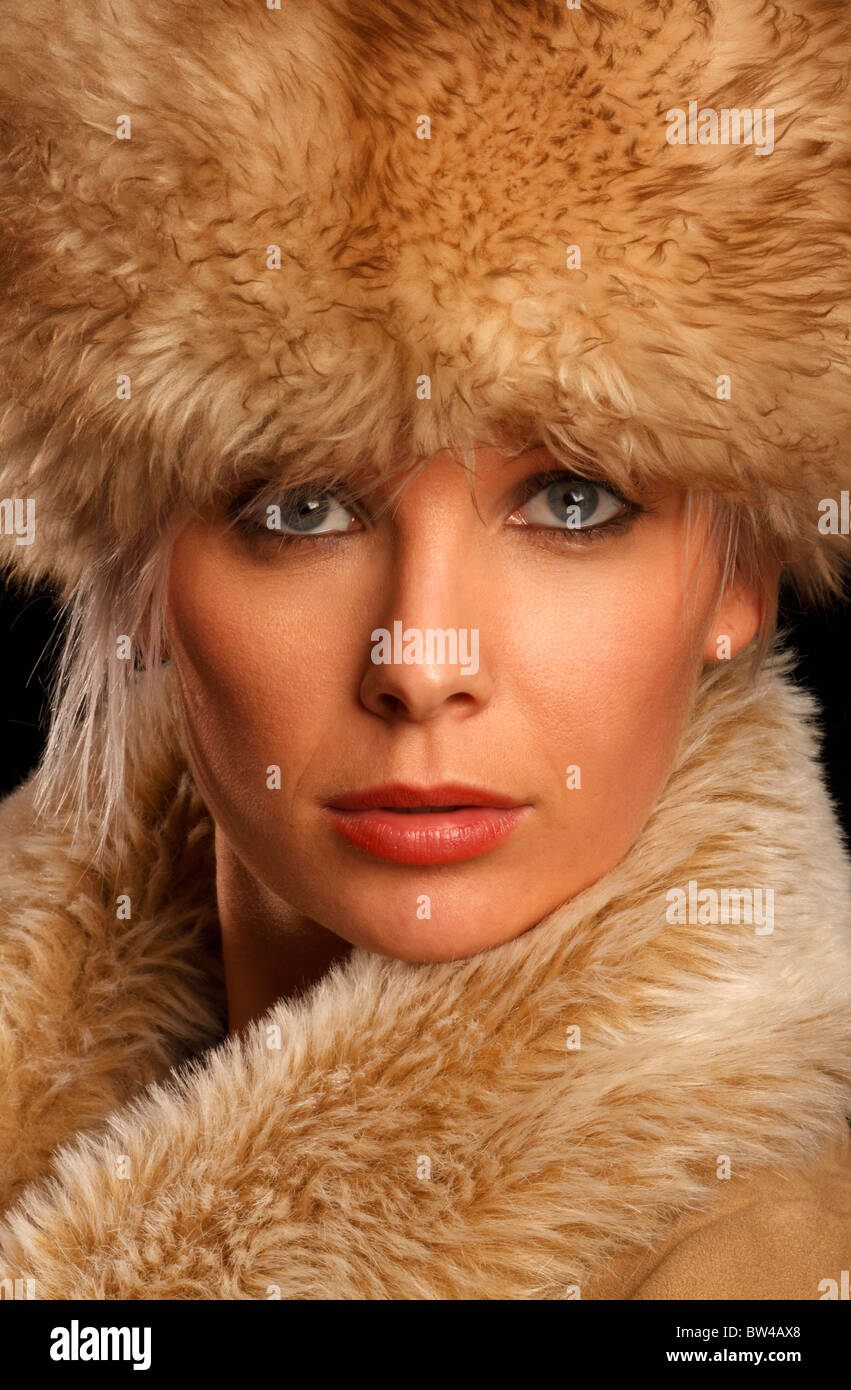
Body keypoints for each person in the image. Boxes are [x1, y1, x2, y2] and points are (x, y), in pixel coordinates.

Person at [0, 0, 849, 1300]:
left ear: (743, 573)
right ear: (134, 567)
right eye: (298, 504)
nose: (421, 656)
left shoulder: (760, 1274)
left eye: (574, 498)